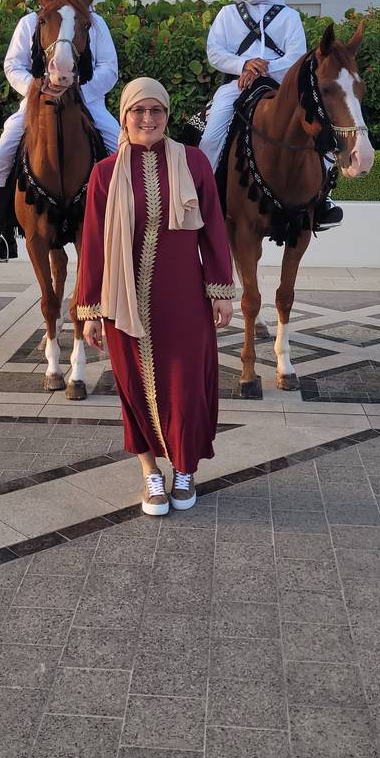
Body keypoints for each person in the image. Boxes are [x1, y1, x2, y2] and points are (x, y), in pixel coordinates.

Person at [77, 77, 235, 517]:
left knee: (186, 386)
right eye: (138, 111)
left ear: (167, 115)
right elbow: (93, 245)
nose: (147, 119)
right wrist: (89, 309)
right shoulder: (105, 173)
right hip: (123, 302)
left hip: (184, 298)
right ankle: (149, 470)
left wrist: (221, 290)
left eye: (156, 111)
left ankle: (184, 469)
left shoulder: (195, 163)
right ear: (124, 116)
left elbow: (214, 229)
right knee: (133, 387)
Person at [0, 0, 121, 261]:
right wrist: (35, 88)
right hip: (36, 102)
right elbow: (13, 65)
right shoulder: (30, 21)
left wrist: (80, 91)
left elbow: (109, 68)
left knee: (122, 153)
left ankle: (122, 227)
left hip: (87, 102)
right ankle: (4, 232)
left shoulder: (94, 21)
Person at [200, 0, 342, 225]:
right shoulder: (227, 14)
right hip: (237, 85)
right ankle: (203, 195)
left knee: (319, 130)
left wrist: (262, 68)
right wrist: (244, 65)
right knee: (210, 136)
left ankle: (322, 198)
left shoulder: (289, 17)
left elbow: (297, 57)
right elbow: (214, 52)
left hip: (281, 88)